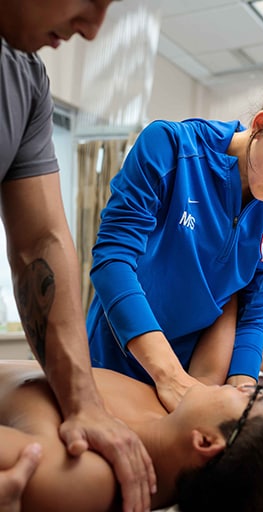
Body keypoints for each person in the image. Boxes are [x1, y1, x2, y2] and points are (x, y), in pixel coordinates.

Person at [86, 38, 263, 411]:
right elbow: (112, 261)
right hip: (114, 357)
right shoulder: (171, 147)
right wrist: (168, 376)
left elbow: (252, 314)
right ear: (262, 125)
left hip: (193, 376)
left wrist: (242, 391)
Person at [0, 2, 156, 510]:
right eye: (89, 0)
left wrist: (84, 403)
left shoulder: (24, 77)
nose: (92, 30)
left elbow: (39, 241)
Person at [0, 360, 263, 512]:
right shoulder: (170, 412)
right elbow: (210, 361)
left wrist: (56, 404)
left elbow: (30, 460)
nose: (246, 384)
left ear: (206, 441)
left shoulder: (95, 478)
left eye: (255, 397)